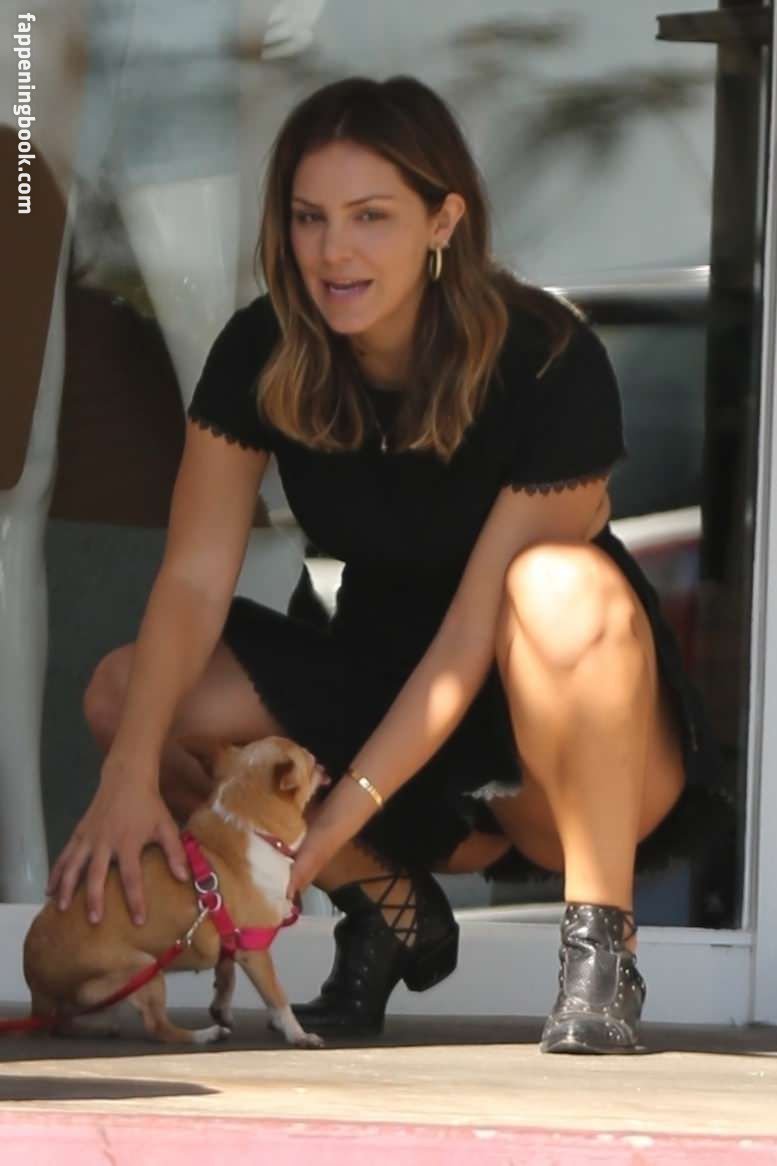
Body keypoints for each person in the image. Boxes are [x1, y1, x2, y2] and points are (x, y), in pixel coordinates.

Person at [47, 74, 720, 1055]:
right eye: (310, 217)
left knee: (557, 586)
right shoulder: (264, 349)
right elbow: (192, 579)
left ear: (443, 221)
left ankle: (599, 953)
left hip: (551, 716)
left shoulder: (547, 358)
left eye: (371, 216)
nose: (334, 250)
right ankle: (391, 909)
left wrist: (326, 827)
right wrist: (128, 772)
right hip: (376, 672)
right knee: (130, 695)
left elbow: (469, 635)